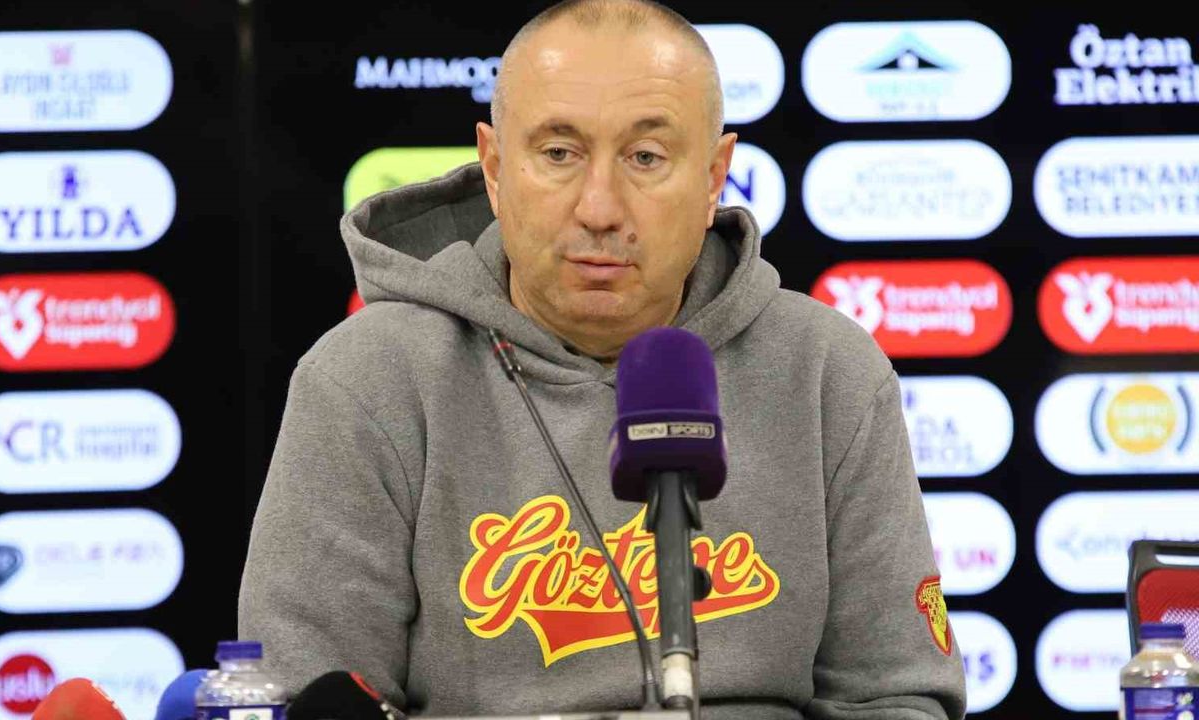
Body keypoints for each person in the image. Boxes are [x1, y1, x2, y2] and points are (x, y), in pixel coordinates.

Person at [237, 0, 968, 718]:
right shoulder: (368, 380)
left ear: (714, 176)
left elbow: (897, 697)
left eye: (646, 157)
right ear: (494, 168)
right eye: (559, 154)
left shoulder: (828, 371)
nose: (600, 208)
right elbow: (302, 696)